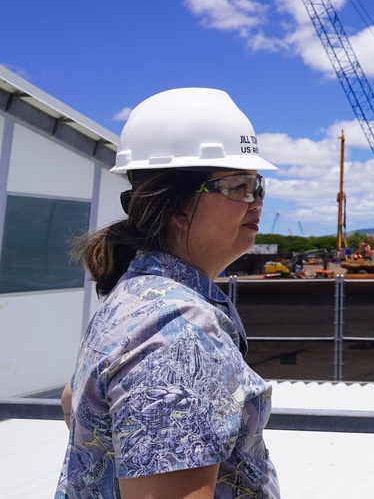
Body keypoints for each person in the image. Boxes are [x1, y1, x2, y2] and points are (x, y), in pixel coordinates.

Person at [56, 87, 280, 498]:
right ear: (175, 207)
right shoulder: (179, 329)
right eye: (237, 187)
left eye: (257, 185)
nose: (256, 202)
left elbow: (73, 399)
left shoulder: (138, 293)